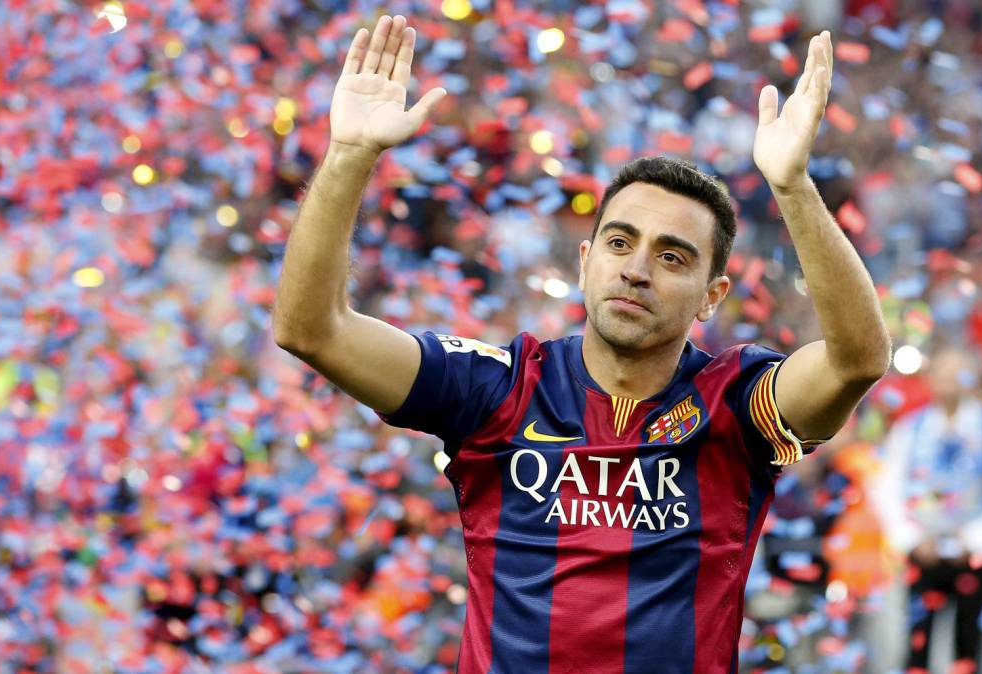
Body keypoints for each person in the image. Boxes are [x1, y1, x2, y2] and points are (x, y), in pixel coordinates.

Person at [272, 14, 891, 674]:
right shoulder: (498, 388)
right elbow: (311, 329)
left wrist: (793, 187)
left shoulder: (736, 404)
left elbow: (857, 360)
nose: (637, 269)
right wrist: (349, 154)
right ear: (586, 261)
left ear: (712, 296)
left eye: (672, 257)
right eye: (620, 243)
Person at [871, 345, 982, 673]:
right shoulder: (910, 429)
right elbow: (886, 489)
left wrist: (973, 540)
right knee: (916, 645)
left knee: (970, 645)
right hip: (923, 554)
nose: (949, 381)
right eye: (942, 373)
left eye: (958, 373)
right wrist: (913, 538)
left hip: (977, 558)